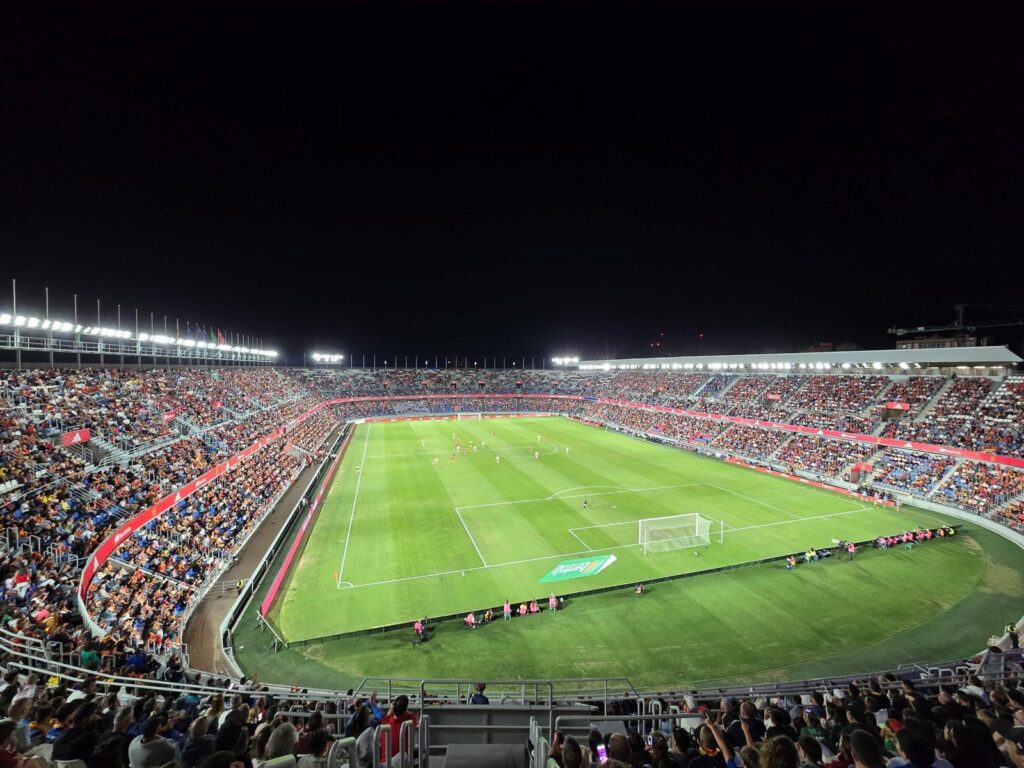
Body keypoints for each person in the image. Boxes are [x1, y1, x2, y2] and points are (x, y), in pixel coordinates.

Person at [380, 696, 417, 767]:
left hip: (383, 763)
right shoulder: (409, 723)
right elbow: (412, 716)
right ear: (405, 709)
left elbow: (387, 716)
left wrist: (391, 709)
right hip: (400, 764)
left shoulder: (385, 722)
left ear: (393, 708)